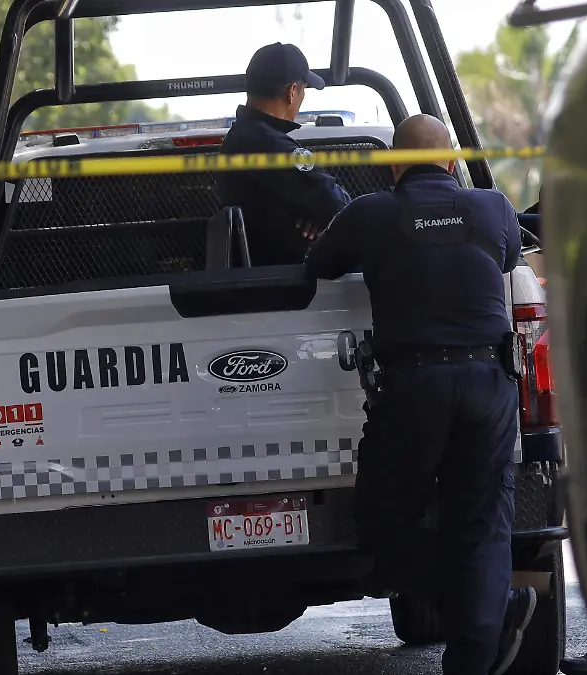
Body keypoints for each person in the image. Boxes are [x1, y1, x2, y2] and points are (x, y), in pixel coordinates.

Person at [305, 114, 534, 675]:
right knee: (479, 526)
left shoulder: (369, 215)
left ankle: (483, 606)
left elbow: (318, 265)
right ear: (453, 162)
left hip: (413, 385)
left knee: (383, 522)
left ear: (391, 165)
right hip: (489, 383)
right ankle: (478, 632)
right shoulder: (494, 208)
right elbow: (503, 261)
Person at [217, 42, 352, 266]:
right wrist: (324, 215)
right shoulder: (271, 145)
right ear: (292, 92)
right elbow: (341, 207)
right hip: (284, 287)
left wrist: (319, 215)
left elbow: (327, 205)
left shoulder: (243, 137)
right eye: (303, 91)